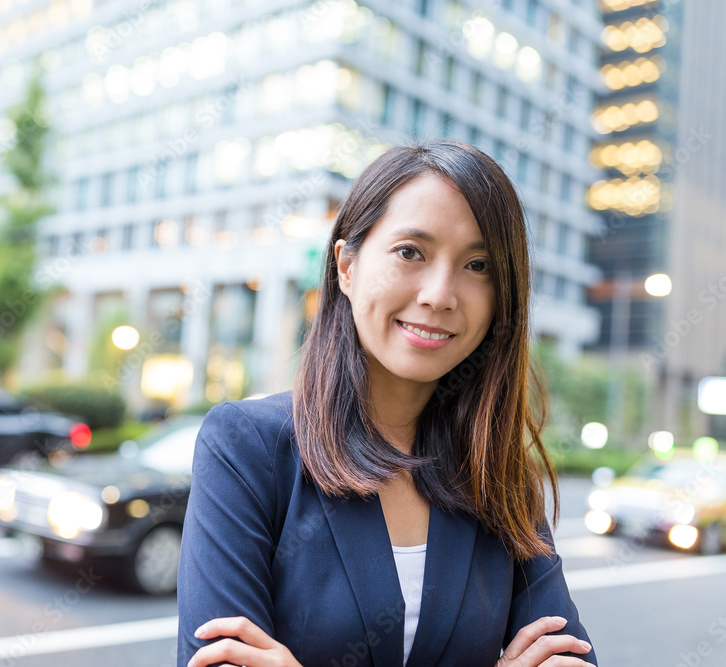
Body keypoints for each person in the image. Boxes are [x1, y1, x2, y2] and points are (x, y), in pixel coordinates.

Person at [176, 140, 598, 667]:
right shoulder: (246, 447)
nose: (440, 294)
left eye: (478, 264)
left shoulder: (497, 472)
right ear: (346, 267)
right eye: (410, 252)